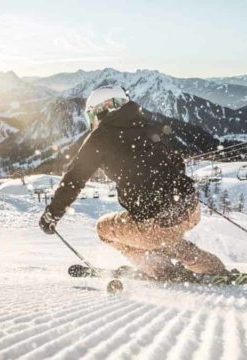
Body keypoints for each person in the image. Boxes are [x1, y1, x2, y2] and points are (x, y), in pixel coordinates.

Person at [39, 85, 226, 279]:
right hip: (190, 209)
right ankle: (212, 267)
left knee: (104, 229)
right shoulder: (150, 125)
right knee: (167, 240)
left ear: (101, 109)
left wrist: (52, 214)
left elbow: (74, 179)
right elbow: (176, 163)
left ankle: (160, 270)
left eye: (91, 115)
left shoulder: (101, 137)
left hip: (155, 222)